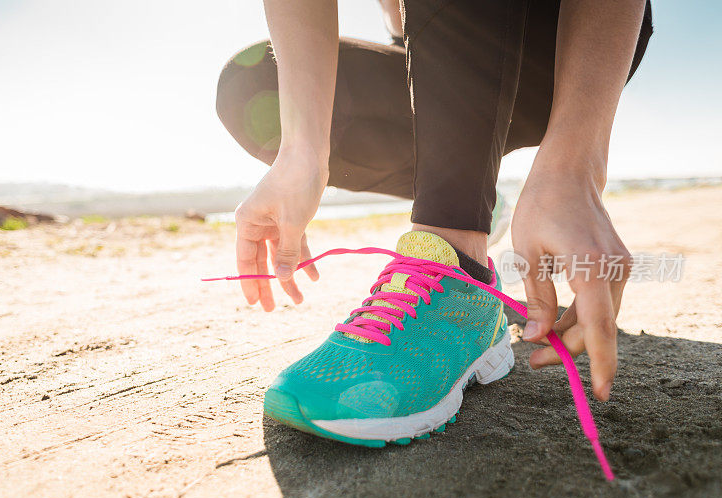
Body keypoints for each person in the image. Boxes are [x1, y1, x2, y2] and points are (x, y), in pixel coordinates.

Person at [215, 0, 653, 446]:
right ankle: (478, 215)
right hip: (438, 72)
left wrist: (576, 165)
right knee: (252, 85)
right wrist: (301, 152)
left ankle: (458, 259)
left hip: (565, 49)